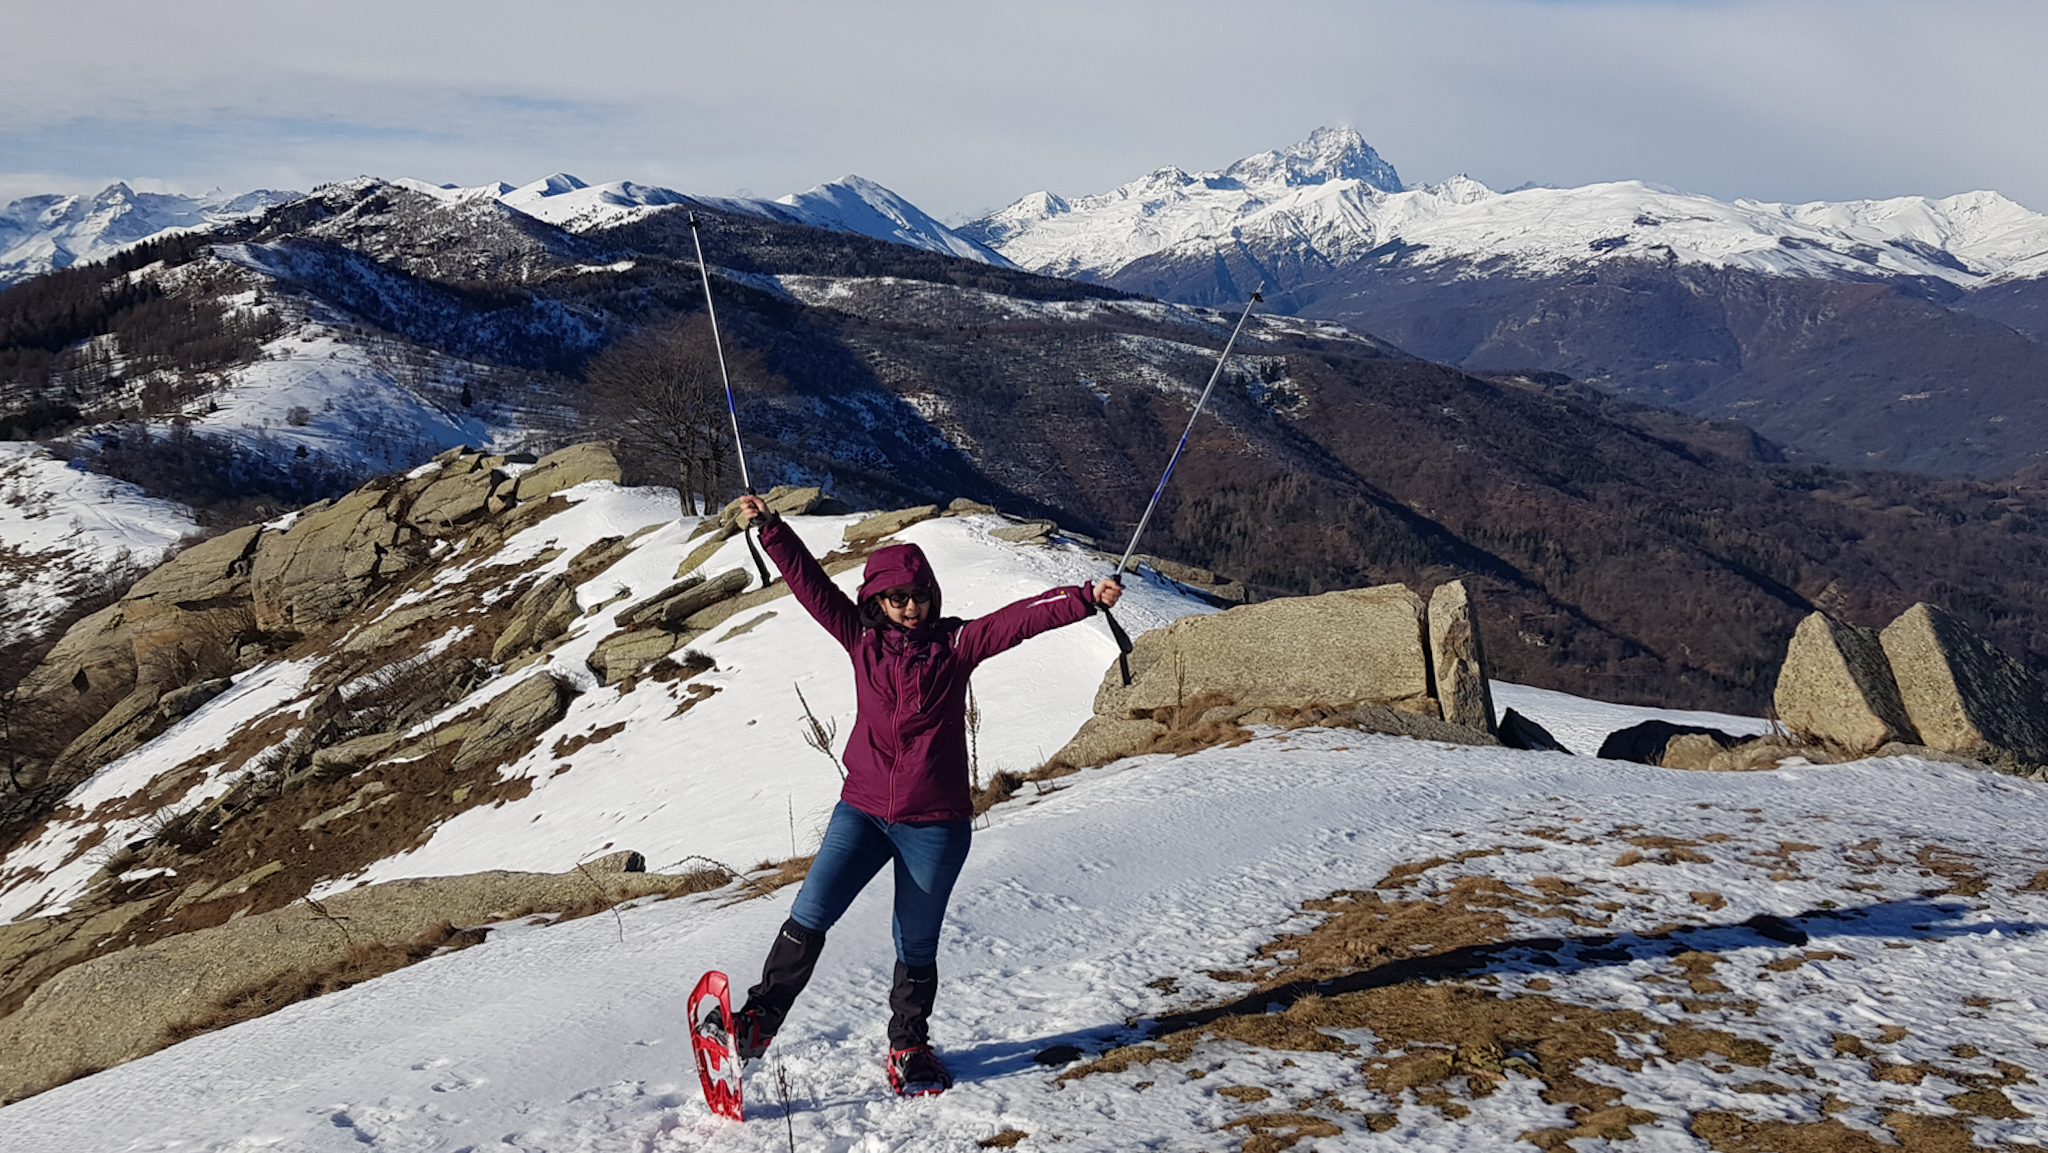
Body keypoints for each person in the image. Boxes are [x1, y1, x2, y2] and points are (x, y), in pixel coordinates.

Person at [726, 493, 1123, 1097]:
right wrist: (771, 529)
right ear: (877, 602)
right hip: (860, 812)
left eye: (921, 597)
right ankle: (753, 1028)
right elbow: (810, 586)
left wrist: (1083, 598)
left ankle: (909, 1045)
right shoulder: (860, 639)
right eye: (899, 599)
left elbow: (1016, 620)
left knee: (916, 943)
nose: (912, 609)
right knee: (809, 916)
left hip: (934, 823)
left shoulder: (956, 645)